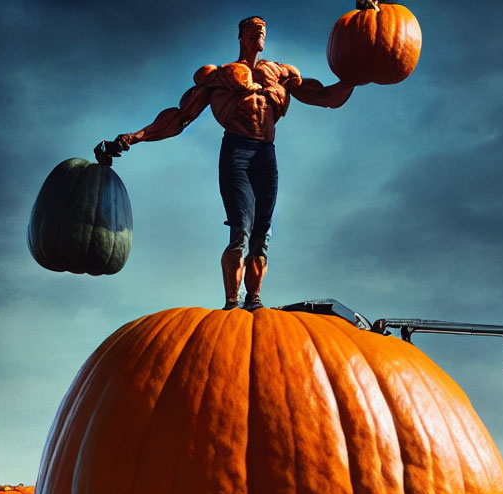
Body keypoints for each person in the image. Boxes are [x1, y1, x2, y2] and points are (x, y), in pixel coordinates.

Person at [94, 16, 354, 311]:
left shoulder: (280, 72)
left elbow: (325, 96)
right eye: (254, 28)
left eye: (264, 30)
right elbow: (180, 117)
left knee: (262, 232)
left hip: (266, 155)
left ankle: (254, 299)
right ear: (241, 35)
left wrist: (356, 76)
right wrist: (134, 137)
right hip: (237, 152)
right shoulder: (219, 76)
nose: (260, 31)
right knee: (242, 226)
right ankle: (233, 302)